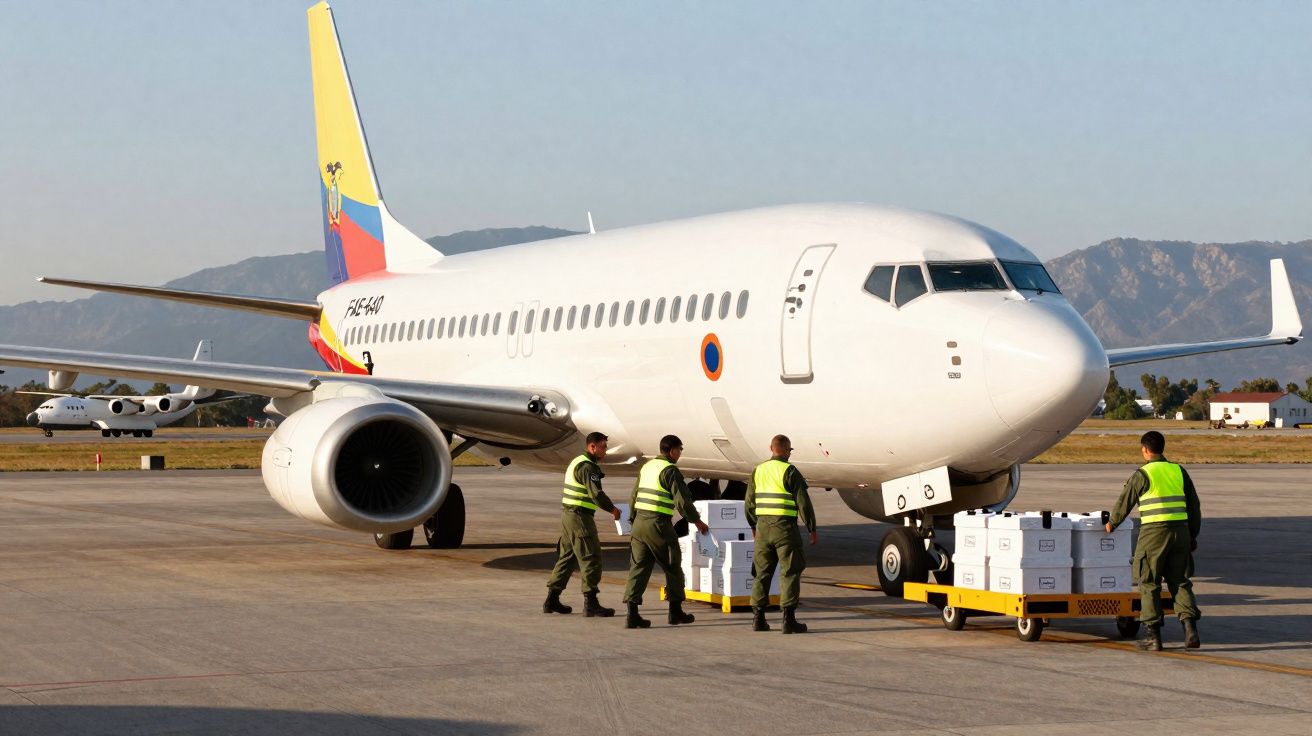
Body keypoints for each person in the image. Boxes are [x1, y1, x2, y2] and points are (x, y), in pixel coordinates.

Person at [1105, 430, 1202, 651]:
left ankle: (1153, 637)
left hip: (1154, 534)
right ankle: (1190, 630)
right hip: (1181, 533)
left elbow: (1125, 500)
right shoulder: (1179, 471)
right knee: (1180, 582)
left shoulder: (1143, 474)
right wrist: (1192, 536)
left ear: (1145, 450)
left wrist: (1112, 523)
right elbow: (1194, 506)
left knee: (1149, 584)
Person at [621, 435, 710, 629]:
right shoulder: (670, 471)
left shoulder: (647, 467)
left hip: (639, 523)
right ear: (672, 451)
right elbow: (683, 501)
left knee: (639, 567)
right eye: (680, 450)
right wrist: (697, 521)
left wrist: (633, 520)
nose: (680, 454)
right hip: (658, 524)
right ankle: (675, 612)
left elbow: (634, 495)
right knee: (672, 565)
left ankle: (632, 614)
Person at [543, 432, 622, 618]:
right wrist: (613, 509)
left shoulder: (578, 461)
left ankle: (551, 599)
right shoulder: (588, 467)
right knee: (591, 557)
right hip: (580, 517)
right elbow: (596, 494)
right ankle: (591, 603)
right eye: (602, 446)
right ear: (592, 447)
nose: (605, 450)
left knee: (568, 557)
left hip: (569, 516)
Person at [745, 434, 817, 634]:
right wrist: (811, 528)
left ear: (771, 448)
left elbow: (749, 503)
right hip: (785, 529)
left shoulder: (758, 470)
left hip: (762, 529)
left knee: (761, 573)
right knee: (790, 571)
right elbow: (803, 502)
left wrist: (753, 526)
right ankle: (788, 620)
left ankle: (758, 619)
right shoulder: (790, 471)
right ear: (786, 450)